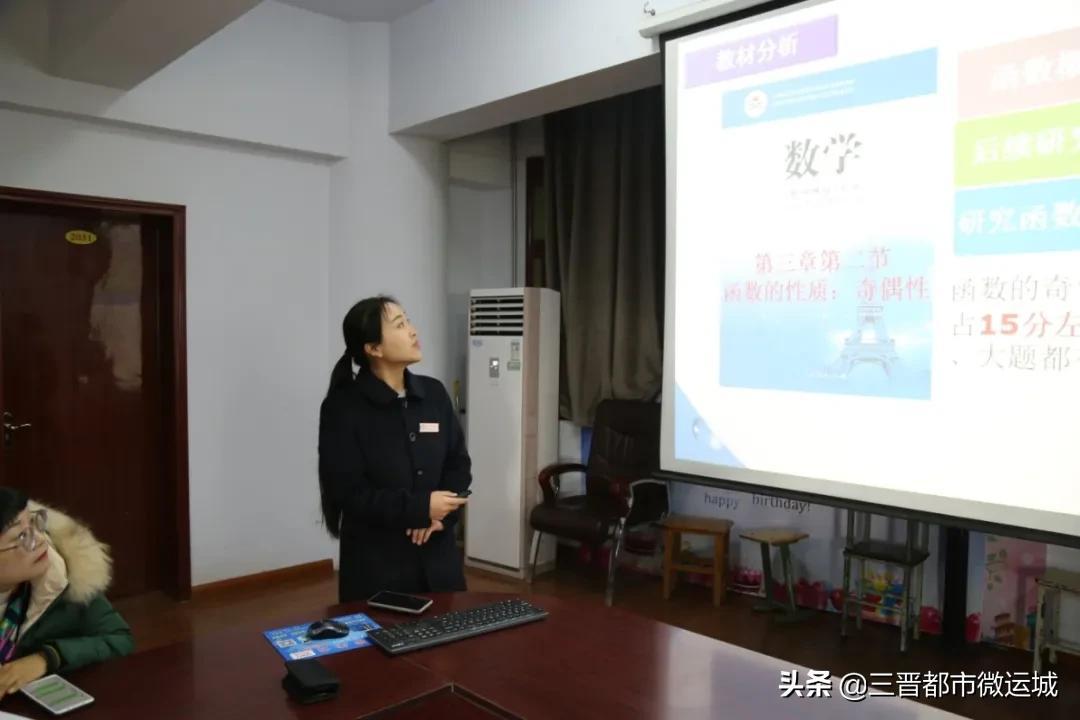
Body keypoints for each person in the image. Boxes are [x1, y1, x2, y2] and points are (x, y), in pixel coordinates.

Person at [319, 296, 472, 603]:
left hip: (439, 562)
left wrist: (440, 517)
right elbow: (348, 493)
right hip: (378, 568)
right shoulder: (344, 407)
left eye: (408, 321)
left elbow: (458, 464)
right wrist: (420, 508)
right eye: (400, 325)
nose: (413, 331)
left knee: (451, 632)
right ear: (373, 348)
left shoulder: (433, 393)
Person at [0, 487, 133, 695]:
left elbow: (120, 640)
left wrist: (47, 658)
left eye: (35, 522)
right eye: (22, 536)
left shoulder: (64, 578)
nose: (40, 540)